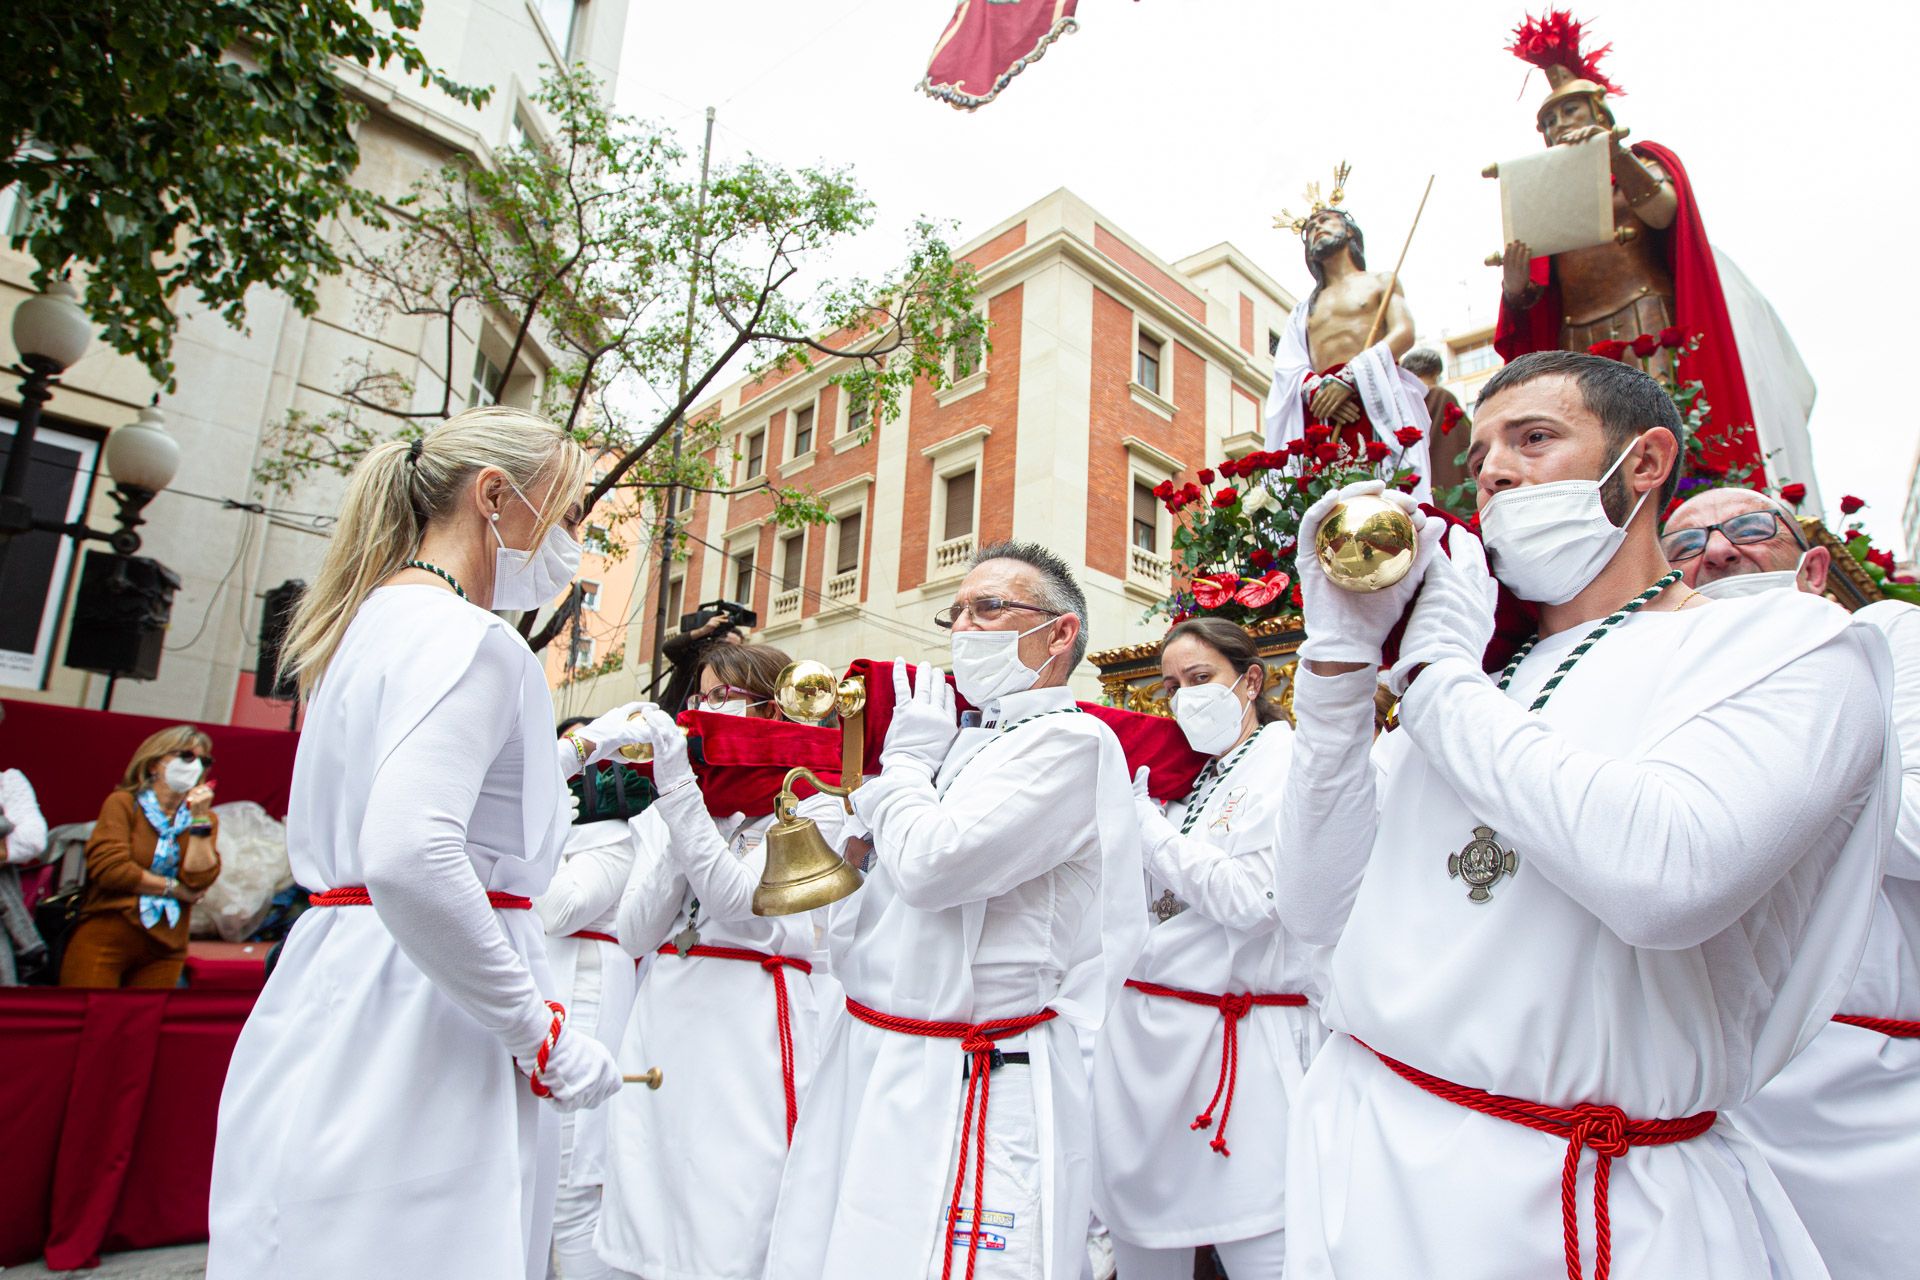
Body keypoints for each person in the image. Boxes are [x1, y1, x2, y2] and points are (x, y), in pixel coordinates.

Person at [1276, 350, 1896, 1279]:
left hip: (1582, 1195)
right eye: (1481, 455)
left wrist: (1438, 678)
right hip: (1367, 1153)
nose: (1493, 471)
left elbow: (1668, 880)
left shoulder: (1788, 643)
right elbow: (1316, 909)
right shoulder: (1492, 681)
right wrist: (1335, 665)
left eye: (1534, 439)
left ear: (1643, 464)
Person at [207, 407, 650, 1280]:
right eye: (566, 517)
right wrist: (540, 1032)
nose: (572, 544)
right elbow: (413, 855)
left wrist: (566, 751)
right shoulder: (475, 642)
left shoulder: (363, 627)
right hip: (424, 1016)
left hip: (345, 985)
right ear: (494, 496)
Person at [764, 541, 1145, 1280]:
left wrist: (900, 770)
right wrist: (853, 818)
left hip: (977, 1067)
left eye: (991, 608)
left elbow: (937, 866)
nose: (965, 628)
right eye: (958, 612)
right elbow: (867, 903)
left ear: (1061, 632)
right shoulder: (960, 744)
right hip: (877, 1052)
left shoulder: (1071, 741)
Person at [1664, 486, 1920, 1276]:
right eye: (1684, 547)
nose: (1718, 551)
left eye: (1747, 528)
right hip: (1698, 1098)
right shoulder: (1657, 685)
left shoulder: (1884, 637)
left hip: (1867, 1098)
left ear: (1812, 570)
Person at [594, 641, 850, 1280]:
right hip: (667, 1014)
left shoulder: (813, 799)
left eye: (720, 698)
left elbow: (741, 904)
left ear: (771, 705)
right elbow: (634, 931)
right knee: (649, 1201)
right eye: (699, 697)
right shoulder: (690, 803)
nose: (703, 710)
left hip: (749, 1022)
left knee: (734, 1208)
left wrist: (685, 796)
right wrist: (692, 809)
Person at [1092, 617, 1322, 1280]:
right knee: (1142, 1247)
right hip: (1153, 1049)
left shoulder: (1284, 762)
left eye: (1200, 679)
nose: (1183, 698)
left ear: (1250, 680)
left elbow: (1251, 901)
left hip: (1239, 1051)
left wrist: (1147, 830)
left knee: (1266, 1247)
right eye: (1170, 686)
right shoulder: (1191, 777)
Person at [1495, 11, 1764, 480]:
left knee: (1657, 433)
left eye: (1571, 110)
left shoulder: (1641, 160)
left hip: (1647, 319)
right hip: (1575, 335)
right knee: (1589, 446)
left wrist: (1613, 152)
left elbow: (1664, 212)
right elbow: (1539, 291)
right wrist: (1516, 288)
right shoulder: (1545, 190)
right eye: (1551, 118)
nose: (1560, 123)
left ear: (1599, 112)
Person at [539, 718, 651, 1280]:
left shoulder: (614, 836)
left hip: (583, 987)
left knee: (572, 1176)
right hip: (554, 984)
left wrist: (527, 850)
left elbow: (561, 911)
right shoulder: (572, 834)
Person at [1264, 178, 1432, 503]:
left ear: (1350, 231)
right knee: (1326, 502)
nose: (1316, 229)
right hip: (1323, 412)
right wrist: (1319, 390)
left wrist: (1351, 377)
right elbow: (1289, 363)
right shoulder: (1304, 310)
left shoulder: (1380, 282)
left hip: (1373, 399)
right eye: (1310, 227)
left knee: (1383, 495)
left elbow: (1404, 333)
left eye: (1325, 221)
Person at [58, 726, 220, 988]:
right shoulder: (123, 803)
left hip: (167, 944)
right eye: (187, 757)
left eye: (204, 761)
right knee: (91, 1019)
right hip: (108, 934)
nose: (195, 766)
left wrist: (200, 818)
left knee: (145, 1023)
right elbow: (111, 869)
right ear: (156, 762)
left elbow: (199, 880)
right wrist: (173, 889)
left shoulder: (204, 818)